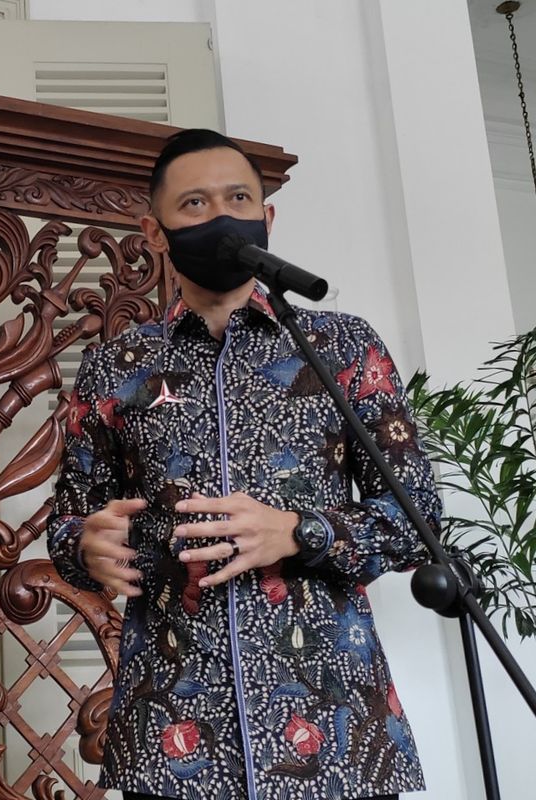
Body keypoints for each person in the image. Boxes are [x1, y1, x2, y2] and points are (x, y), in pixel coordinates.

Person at [48, 129, 439, 800]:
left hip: (337, 731)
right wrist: (87, 544)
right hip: (172, 735)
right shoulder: (119, 366)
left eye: (238, 198)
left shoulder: (341, 346)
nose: (221, 217)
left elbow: (418, 521)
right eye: (194, 204)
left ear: (267, 217)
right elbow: (67, 529)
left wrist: (298, 532)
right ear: (156, 230)